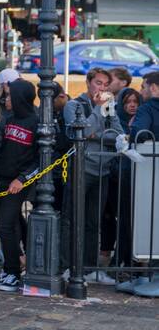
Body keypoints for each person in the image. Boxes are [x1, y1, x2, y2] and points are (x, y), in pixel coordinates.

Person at [61, 67, 118, 280]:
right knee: (71, 219)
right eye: (98, 83)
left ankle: (91, 269)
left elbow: (119, 135)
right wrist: (96, 110)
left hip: (102, 170)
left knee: (94, 222)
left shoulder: (109, 108)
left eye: (105, 85)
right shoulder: (74, 105)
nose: (102, 88)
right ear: (88, 82)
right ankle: (68, 267)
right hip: (80, 169)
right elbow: (81, 133)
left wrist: (97, 133)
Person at [0, 79, 38, 292]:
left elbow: (41, 159)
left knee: (4, 225)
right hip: (0, 180)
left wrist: (22, 179)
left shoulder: (36, 122)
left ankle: (14, 272)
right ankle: (9, 270)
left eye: (11, 96)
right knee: (6, 225)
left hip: (18, 184)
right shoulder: (7, 120)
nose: (6, 99)